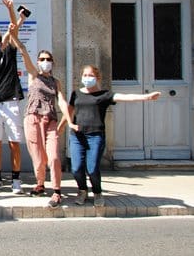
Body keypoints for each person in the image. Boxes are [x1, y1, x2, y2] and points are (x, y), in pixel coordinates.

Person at [67, 65, 160, 207]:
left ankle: (97, 192)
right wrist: (67, 125)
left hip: (95, 136)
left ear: (97, 78)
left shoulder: (104, 95)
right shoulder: (76, 94)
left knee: (92, 169)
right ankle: (82, 190)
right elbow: (69, 111)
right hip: (77, 137)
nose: (87, 78)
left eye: (90, 75)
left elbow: (125, 97)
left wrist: (146, 97)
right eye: (85, 75)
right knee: (76, 168)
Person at [17, 38, 72, 207]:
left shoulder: (56, 82)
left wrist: (69, 121)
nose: (45, 62)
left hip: (50, 120)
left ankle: (57, 191)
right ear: (38, 62)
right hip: (33, 118)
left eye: (48, 59)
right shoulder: (34, 76)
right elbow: (23, 52)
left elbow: (62, 101)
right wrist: (14, 35)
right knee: (38, 157)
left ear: (53, 62)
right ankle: (40, 184)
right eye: (42, 59)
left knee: (54, 156)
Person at [0, 0, 26, 194]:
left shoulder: (8, 53)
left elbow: (13, 30)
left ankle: (16, 180)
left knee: (14, 142)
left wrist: (10, 9)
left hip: (11, 102)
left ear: (1, 43)